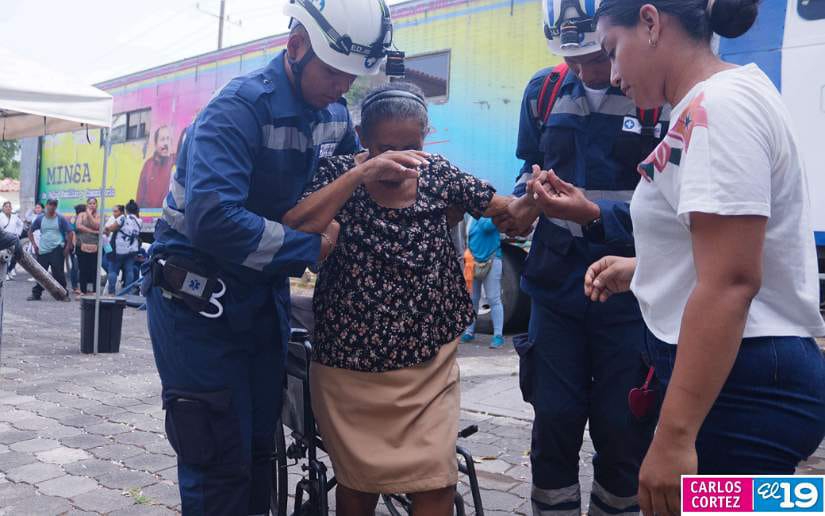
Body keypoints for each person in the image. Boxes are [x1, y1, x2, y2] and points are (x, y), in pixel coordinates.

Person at [144, 1, 400, 512]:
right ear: (296, 45)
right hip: (198, 301)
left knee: (262, 451)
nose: (341, 87)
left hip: (262, 297)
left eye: (351, 76)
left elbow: (350, 189)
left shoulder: (333, 116)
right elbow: (214, 220)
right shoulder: (238, 109)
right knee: (217, 457)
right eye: (332, 71)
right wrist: (309, 245)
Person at [582, 1, 825, 514]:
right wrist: (644, 273)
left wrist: (673, 439)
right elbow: (720, 249)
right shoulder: (715, 100)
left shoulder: (718, 107)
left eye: (612, 50)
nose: (614, 74)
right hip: (742, 375)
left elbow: (732, 282)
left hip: (742, 388)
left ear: (650, 23)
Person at [283, 82, 511, 516]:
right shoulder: (336, 176)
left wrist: (533, 203)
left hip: (428, 365)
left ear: (425, 138)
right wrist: (358, 176)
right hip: (350, 368)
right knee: (357, 486)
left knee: (436, 482)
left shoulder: (438, 173)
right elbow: (297, 224)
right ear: (363, 139)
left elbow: (505, 209)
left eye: (411, 145)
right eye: (386, 148)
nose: (400, 159)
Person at [492, 1, 669, 514]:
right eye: (574, 59)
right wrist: (524, 201)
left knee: (624, 427)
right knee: (554, 419)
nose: (589, 70)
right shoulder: (543, 92)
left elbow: (674, 209)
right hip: (555, 288)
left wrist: (595, 213)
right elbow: (532, 166)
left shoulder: (654, 97)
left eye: (597, 55)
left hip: (629, 291)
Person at [461, 217, 505, 348]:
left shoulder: (493, 214)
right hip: (473, 262)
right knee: (472, 299)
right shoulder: (468, 217)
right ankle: (469, 332)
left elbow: (487, 226)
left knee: (493, 299)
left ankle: (498, 335)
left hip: (492, 259)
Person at [27, 199, 73, 301]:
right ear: (46, 206)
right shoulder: (40, 218)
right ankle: (36, 294)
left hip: (57, 249)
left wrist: (67, 247)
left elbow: (70, 232)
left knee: (58, 273)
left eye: (54, 205)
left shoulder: (60, 218)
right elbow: (30, 231)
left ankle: (63, 294)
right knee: (40, 273)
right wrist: (34, 245)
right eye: (50, 204)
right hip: (43, 249)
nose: (52, 207)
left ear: (56, 206)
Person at [105, 200, 141, 295]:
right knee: (129, 270)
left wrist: (106, 230)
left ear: (125, 210)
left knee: (113, 270)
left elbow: (111, 228)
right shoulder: (139, 221)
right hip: (132, 250)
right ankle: (127, 292)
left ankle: (111, 292)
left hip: (118, 249)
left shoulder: (122, 218)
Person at [136, 126, 176, 208]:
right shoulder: (148, 166)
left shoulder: (175, 162)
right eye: (162, 139)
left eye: (168, 139)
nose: (166, 143)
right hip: (150, 217)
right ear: (155, 143)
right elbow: (140, 197)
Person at [0, 201, 23, 280]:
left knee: (15, 257)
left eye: (9, 206)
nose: (8, 208)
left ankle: (10, 270)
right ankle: (5, 273)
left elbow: (21, 224)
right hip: (3, 239)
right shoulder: (0, 216)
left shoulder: (15, 216)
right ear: (3, 208)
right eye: (6, 206)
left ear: (11, 208)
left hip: (13, 238)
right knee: (5, 257)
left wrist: (18, 234)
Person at [68, 204, 86, 295]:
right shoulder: (77, 219)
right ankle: (75, 287)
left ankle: (78, 286)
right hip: (75, 246)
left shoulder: (74, 218)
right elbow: (73, 232)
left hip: (78, 245)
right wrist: (73, 246)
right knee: (75, 267)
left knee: (78, 266)